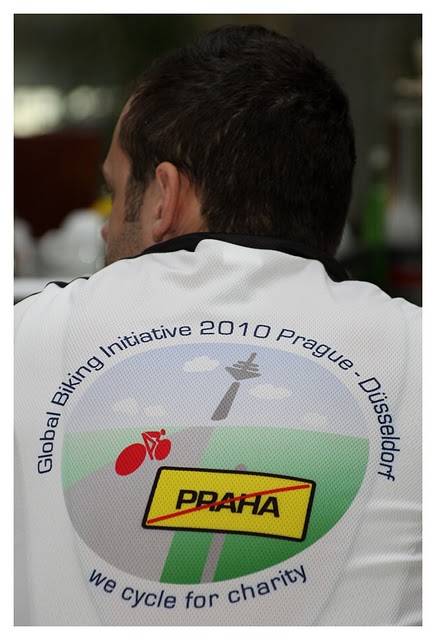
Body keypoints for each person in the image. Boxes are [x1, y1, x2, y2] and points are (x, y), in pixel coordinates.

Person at [14, 24, 421, 626]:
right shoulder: (418, 352)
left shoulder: (24, 339)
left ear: (164, 197)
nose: (104, 227)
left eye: (115, 190)